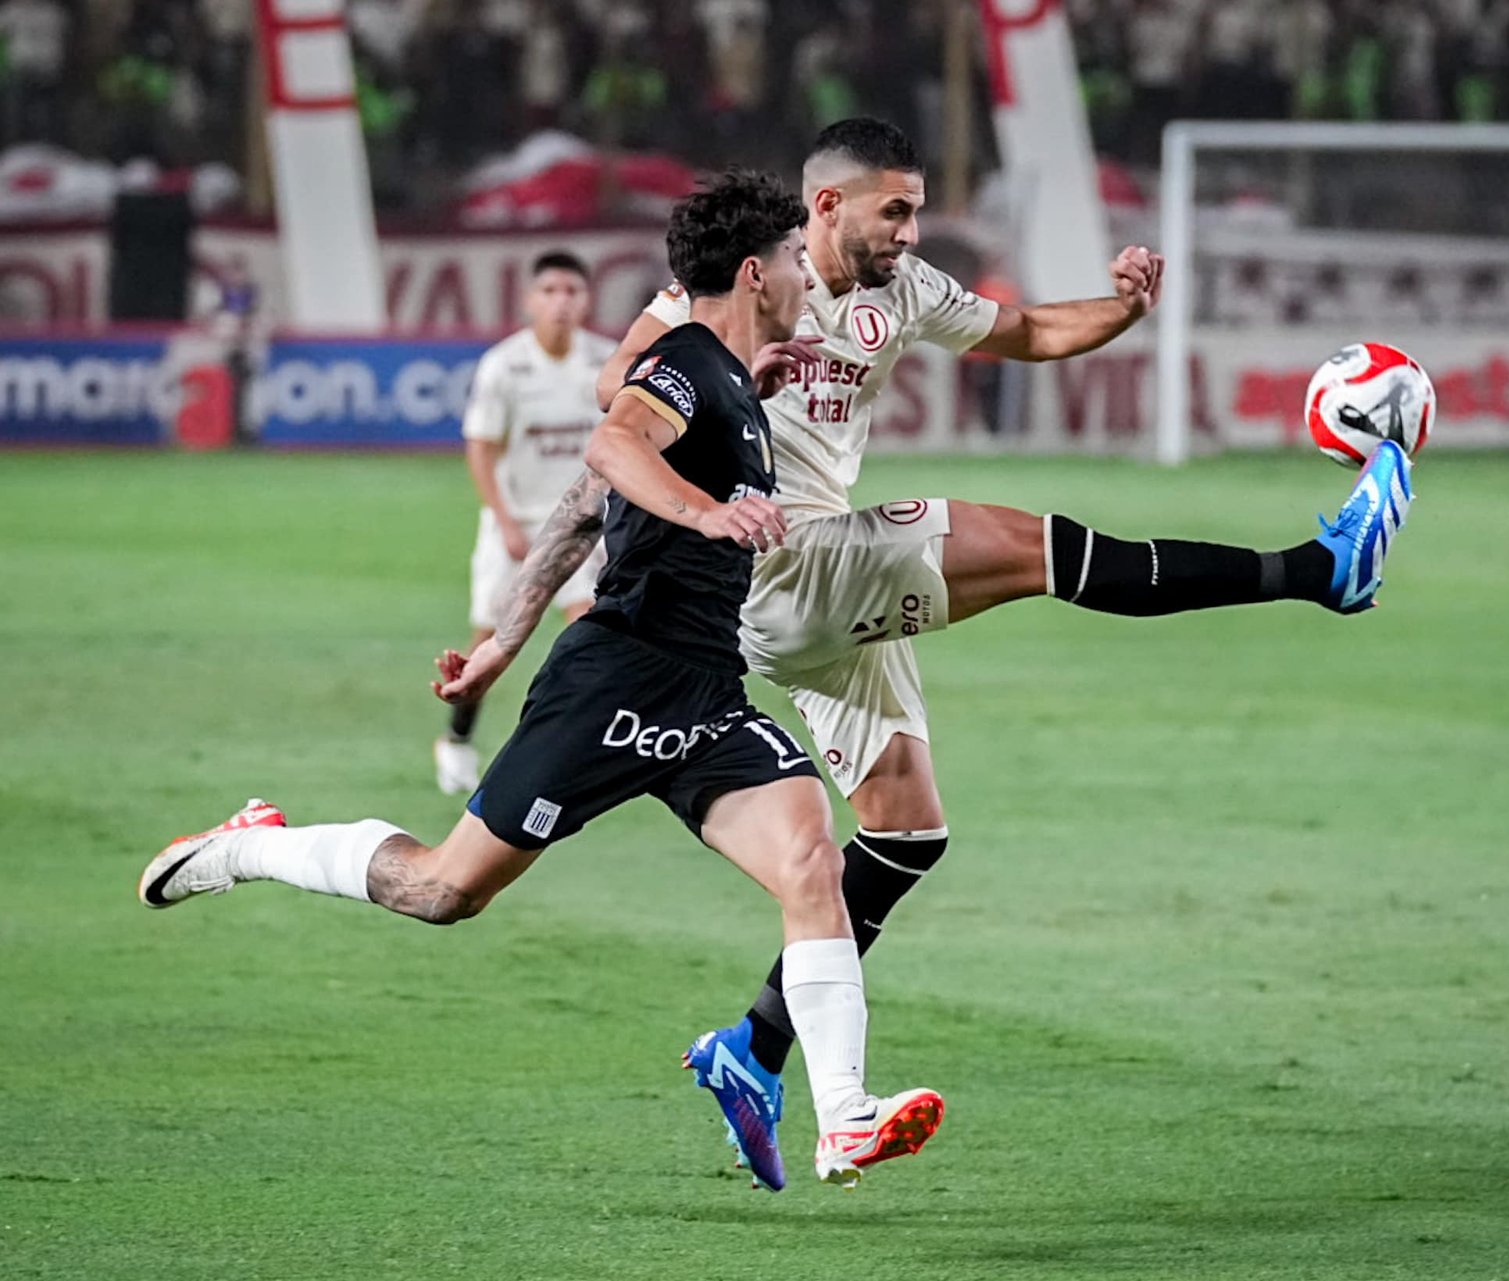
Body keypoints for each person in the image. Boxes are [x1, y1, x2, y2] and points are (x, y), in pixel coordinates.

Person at [436, 118, 1415, 1181]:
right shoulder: (730, 283)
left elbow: (1031, 333)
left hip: (827, 578)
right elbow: (618, 397)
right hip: (771, 565)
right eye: (892, 209)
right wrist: (736, 370)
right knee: (1030, 547)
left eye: (914, 209)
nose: (910, 228)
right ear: (824, 208)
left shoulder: (901, 289)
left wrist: (1126, 306)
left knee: (904, 834)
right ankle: (1317, 571)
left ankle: (752, 1051)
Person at [138, 169, 944, 1194]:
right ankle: (254, 845)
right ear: (755, 271)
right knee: (442, 891)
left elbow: (572, 517)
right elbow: (610, 448)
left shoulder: (737, 379)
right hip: (611, 687)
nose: (802, 270)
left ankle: (846, 1120)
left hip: (705, 696)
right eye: (790, 256)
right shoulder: (682, 365)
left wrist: (499, 643)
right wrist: (701, 515)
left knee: (811, 864)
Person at [433, 251, 614, 796]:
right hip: (516, 523)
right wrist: (505, 520)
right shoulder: (503, 366)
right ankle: (457, 739)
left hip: (583, 523)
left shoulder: (606, 363)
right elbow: (481, 449)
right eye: (551, 291)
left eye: (572, 291)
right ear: (531, 300)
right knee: (489, 640)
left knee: (589, 632)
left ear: (587, 300)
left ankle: (579, 749)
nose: (561, 302)